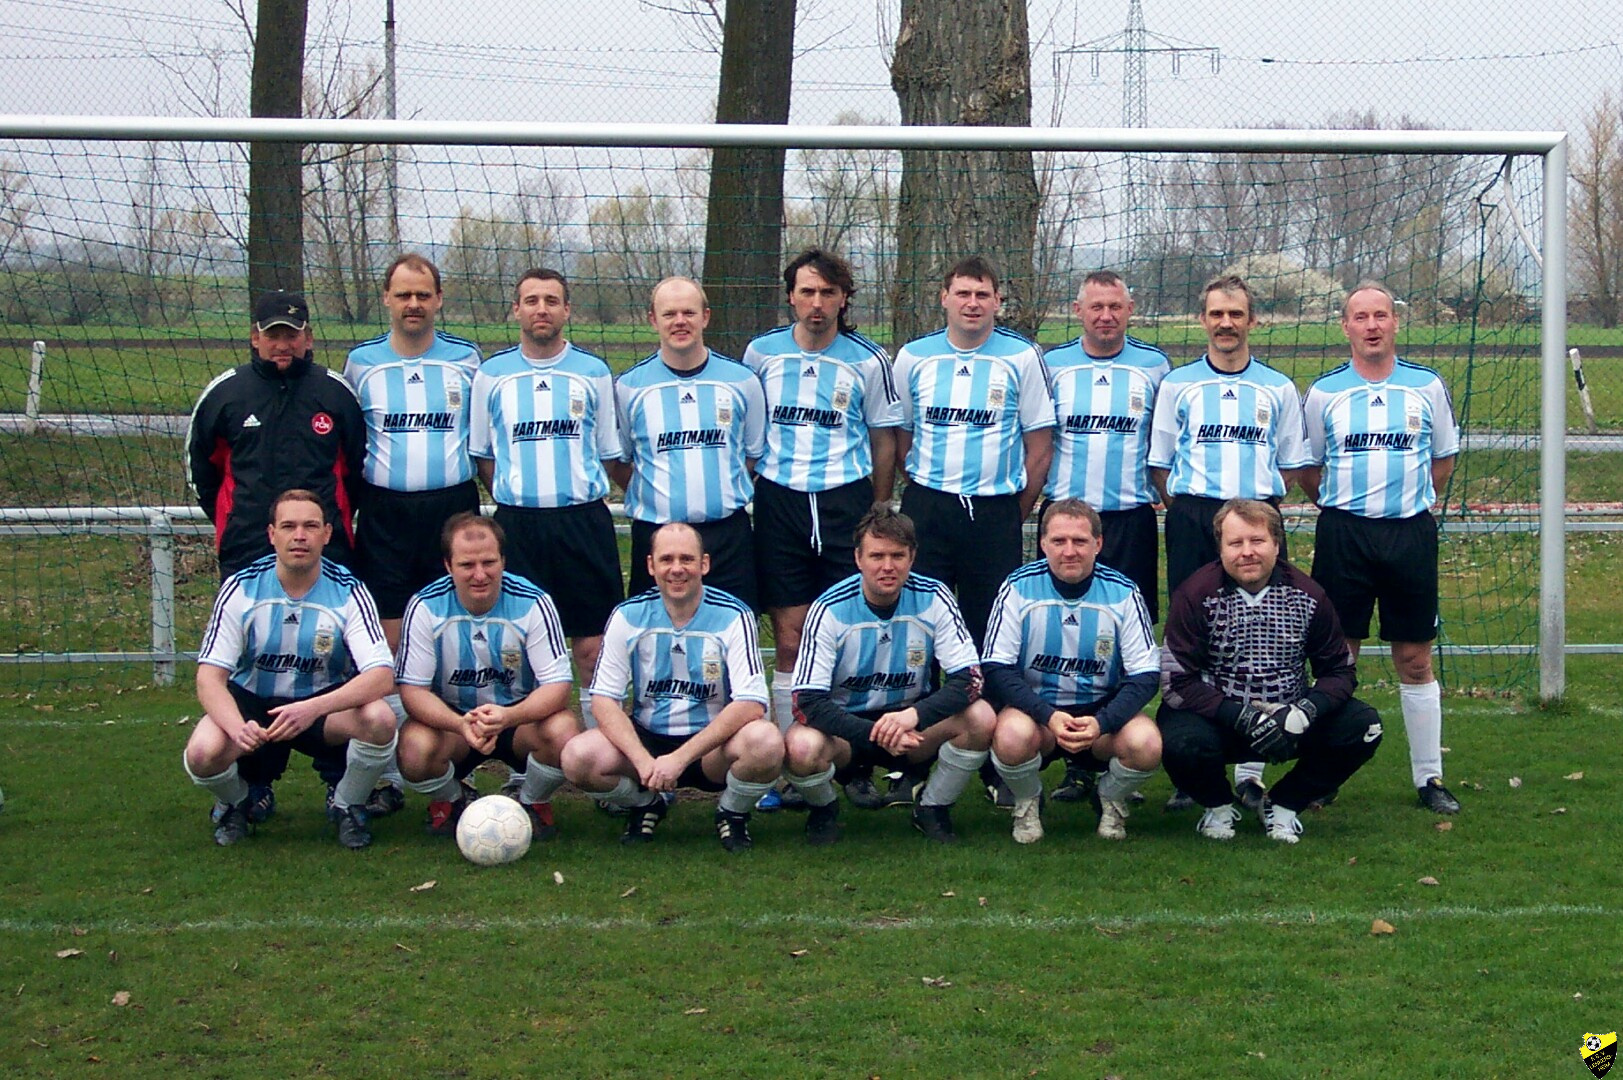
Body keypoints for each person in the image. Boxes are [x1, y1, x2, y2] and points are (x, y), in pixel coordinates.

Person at [1147, 274, 1311, 813]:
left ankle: (1251, 768)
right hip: (1194, 515)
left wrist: (1254, 518)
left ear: (1252, 321)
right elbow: (1161, 465)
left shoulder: (1278, 388)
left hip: (1257, 517)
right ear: (1203, 320)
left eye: (1235, 314)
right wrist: (1195, 516)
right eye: (1216, 313)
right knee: (1193, 637)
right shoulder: (1179, 384)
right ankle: (1193, 766)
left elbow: (1290, 464)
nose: (1226, 323)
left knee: (1262, 637)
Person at [1303, 281, 1461, 815]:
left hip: (1409, 535)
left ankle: (1429, 778)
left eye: (1381, 316)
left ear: (1395, 322)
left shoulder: (1427, 386)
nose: (1371, 326)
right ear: (1345, 327)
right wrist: (1345, 508)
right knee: (1338, 657)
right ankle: (1323, 775)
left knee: (1414, 659)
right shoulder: (1324, 392)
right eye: (1361, 317)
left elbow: (1442, 460)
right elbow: (1309, 469)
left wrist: (1406, 504)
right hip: (1344, 535)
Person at [1157, 499, 1383, 843]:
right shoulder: (1195, 595)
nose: (1247, 552)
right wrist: (1240, 716)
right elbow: (1176, 682)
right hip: (1222, 720)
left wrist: (1304, 712)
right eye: (1235, 543)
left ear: (1276, 544)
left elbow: (1340, 671)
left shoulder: (1309, 594)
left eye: (1257, 541)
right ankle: (1217, 806)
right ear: (1220, 548)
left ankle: (1284, 804)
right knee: (1179, 740)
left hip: (1289, 719)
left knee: (1364, 726)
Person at [742, 248, 903, 735]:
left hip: (844, 502)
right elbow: (750, 434)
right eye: (807, 291)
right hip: (781, 502)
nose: (817, 303)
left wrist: (876, 508)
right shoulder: (761, 354)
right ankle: (789, 751)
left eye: (828, 293)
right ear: (791, 296)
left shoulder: (869, 359)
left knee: (847, 633)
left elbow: (883, 440)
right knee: (790, 638)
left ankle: (848, 749)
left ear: (843, 299)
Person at [182, 489, 398, 849]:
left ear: (327, 534)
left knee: (380, 719)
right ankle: (239, 801)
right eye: (289, 526)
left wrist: (311, 709)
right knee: (202, 753)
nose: (300, 536)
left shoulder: (349, 590)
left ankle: (348, 803)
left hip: (320, 706)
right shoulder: (241, 588)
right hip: (253, 704)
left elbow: (381, 676)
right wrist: (237, 728)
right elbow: (209, 679)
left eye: (310, 526)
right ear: (272, 534)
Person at [781, 507, 996, 845]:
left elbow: (970, 679)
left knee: (981, 718)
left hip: (911, 726)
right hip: (848, 732)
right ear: (858, 558)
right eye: (877, 556)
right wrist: (875, 733)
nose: (887, 566)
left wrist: (913, 716)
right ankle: (824, 809)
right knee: (800, 746)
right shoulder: (828, 608)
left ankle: (933, 807)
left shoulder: (934, 597)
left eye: (897, 555)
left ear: (912, 557)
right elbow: (807, 700)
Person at [561, 523, 780, 852]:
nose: (677, 569)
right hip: (649, 739)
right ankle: (646, 804)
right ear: (651, 566)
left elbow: (751, 702)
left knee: (766, 741)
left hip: (712, 747)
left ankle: (731, 813)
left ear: (704, 564)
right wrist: (642, 761)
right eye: (667, 560)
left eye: (686, 559)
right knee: (577, 757)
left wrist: (679, 759)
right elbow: (603, 699)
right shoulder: (627, 615)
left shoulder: (734, 615)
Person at [1041, 270, 1170, 805]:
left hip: (1130, 518)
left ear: (1130, 309)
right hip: (1068, 522)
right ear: (1078, 311)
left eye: (1115, 306)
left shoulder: (1155, 366)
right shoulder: (1051, 365)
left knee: (1123, 641)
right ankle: (1074, 764)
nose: (1106, 316)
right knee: (1063, 637)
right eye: (1096, 306)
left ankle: (1113, 753)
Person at [892, 257, 1054, 649]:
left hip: (994, 510)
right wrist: (926, 488)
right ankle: (926, 690)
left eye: (982, 294)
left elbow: (1040, 448)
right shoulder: (913, 357)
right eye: (963, 293)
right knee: (920, 622)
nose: (972, 303)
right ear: (944, 298)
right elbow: (901, 436)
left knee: (990, 627)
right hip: (929, 507)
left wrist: (1012, 512)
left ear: (997, 301)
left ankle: (985, 691)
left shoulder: (1022, 356)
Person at [471, 268, 623, 683]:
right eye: (532, 301)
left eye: (552, 301)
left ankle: (596, 726)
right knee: (518, 648)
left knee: (593, 649)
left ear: (567, 310)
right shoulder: (492, 374)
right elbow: (484, 456)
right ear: (516, 310)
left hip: (582, 523)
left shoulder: (593, 371)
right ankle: (531, 727)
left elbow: (607, 454)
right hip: (518, 526)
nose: (542, 309)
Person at [983, 499, 1161, 843]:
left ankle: (1109, 797)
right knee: (1011, 737)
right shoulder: (1017, 587)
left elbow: (1146, 675)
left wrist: (1102, 722)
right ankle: (1028, 801)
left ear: (1098, 543)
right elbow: (996, 666)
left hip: (1100, 715)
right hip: (1038, 714)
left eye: (1080, 541)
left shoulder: (1123, 591)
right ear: (1043, 543)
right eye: (1059, 541)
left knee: (1146, 743)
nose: (1069, 551)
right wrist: (1047, 716)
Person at [394, 513, 580, 840]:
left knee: (564, 731)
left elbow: (558, 686)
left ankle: (531, 801)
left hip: (518, 720)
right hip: (454, 723)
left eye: (489, 562)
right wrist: (460, 724)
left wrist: (509, 717)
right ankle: (453, 800)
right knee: (413, 749)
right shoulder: (425, 606)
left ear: (503, 561)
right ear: (448, 565)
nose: (480, 575)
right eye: (467, 565)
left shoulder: (534, 602)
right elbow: (412, 691)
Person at [343, 254, 482, 651]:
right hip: (385, 513)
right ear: (387, 298)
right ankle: (392, 694)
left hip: (452, 508)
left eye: (423, 295)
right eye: (404, 295)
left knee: (453, 624)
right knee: (389, 630)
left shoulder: (467, 359)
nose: (414, 304)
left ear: (439, 299)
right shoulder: (361, 363)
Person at [610, 277, 766, 610]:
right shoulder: (629, 387)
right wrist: (658, 495)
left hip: (727, 537)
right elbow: (620, 461)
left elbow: (752, 455)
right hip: (657, 535)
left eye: (689, 313)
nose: (680, 321)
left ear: (705, 317)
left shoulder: (743, 381)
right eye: (669, 314)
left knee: (735, 628)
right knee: (652, 632)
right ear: (653, 320)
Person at [188, 291, 365, 579]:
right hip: (246, 547)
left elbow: (358, 470)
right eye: (272, 335)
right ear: (255, 338)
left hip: (327, 549)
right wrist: (235, 519)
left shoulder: (337, 393)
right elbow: (202, 472)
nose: (282, 345)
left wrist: (329, 517)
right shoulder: (224, 394)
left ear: (308, 338)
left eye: (291, 336)